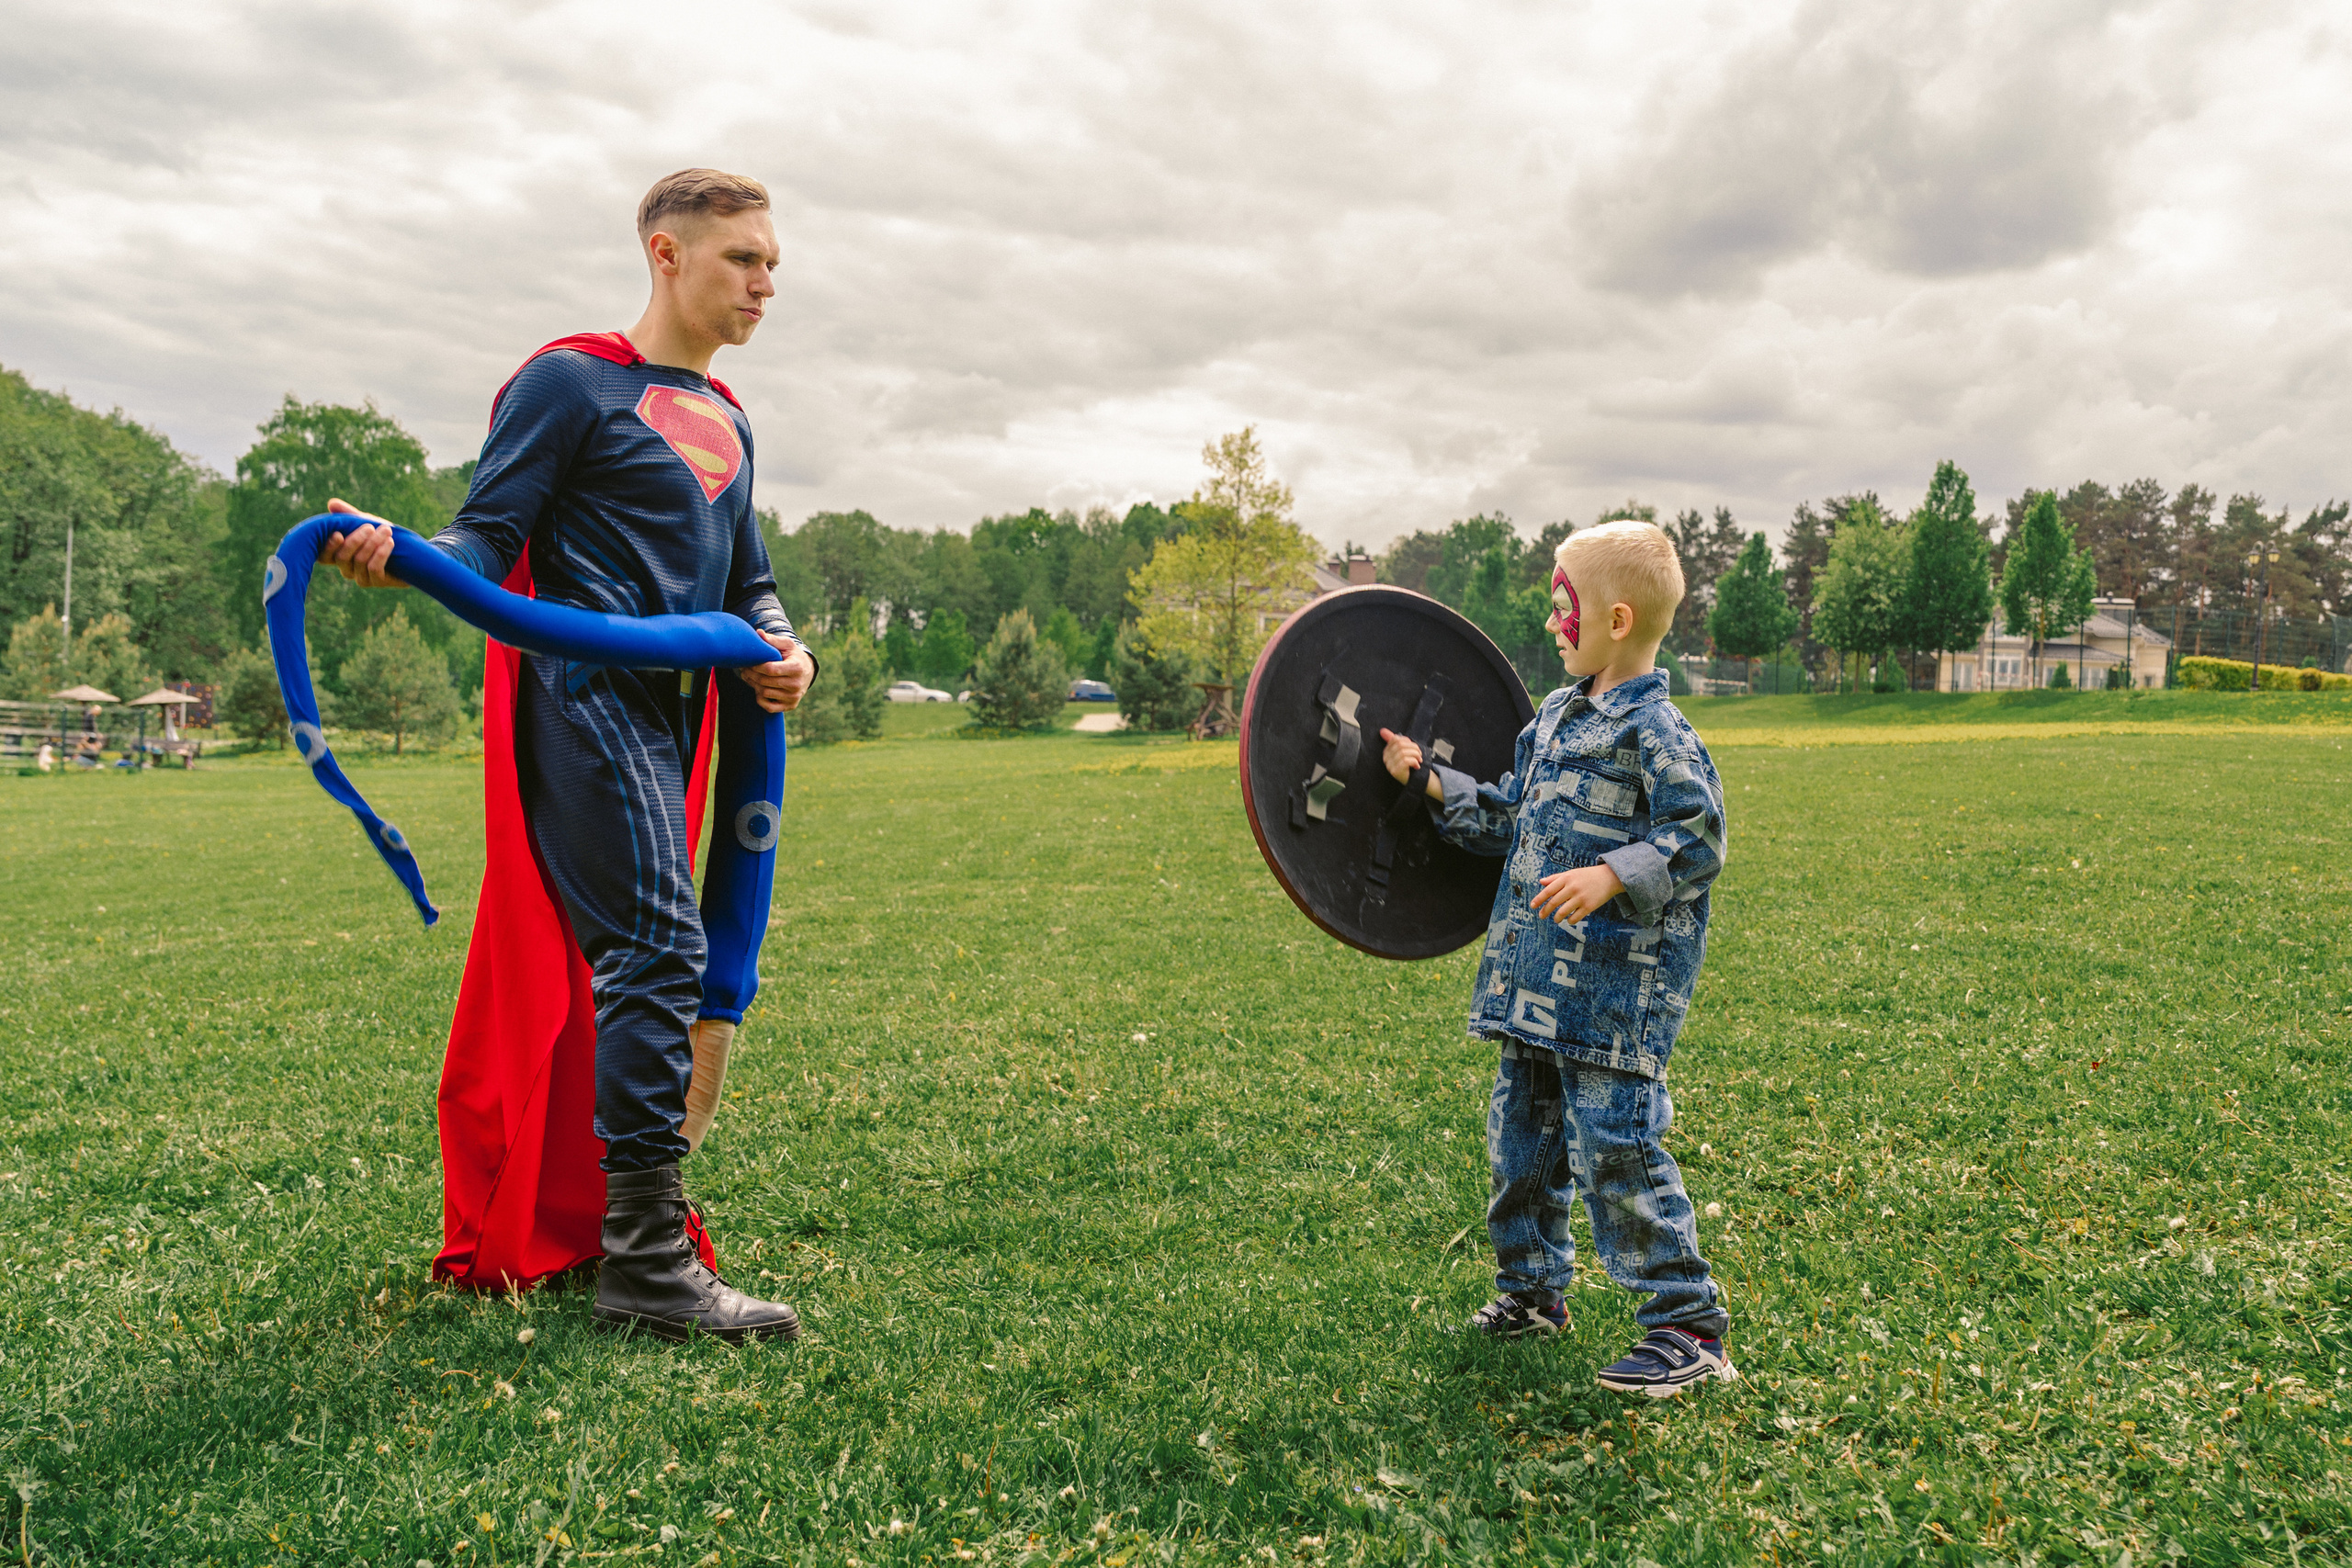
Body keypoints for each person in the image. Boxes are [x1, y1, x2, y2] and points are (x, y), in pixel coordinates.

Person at [322, 168, 815, 1343]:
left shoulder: (733, 418)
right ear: (665, 254)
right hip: (581, 701)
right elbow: (484, 538)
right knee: (655, 943)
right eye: (742, 259)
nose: (763, 284)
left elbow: (747, 582)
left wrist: (784, 650)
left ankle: (623, 1237)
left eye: (772, 266)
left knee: (660, 956)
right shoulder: (569, 382)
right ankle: (646, 1264)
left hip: (678, 720)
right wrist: (406, 555)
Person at [1379, 520, 1735, 1395]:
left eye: (1561, 607)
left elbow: (1697, 838)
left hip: (1614, 995)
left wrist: (1612, 875)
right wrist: (1427, 779)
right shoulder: (1553, 718)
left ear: (1615, 619)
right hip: (1534, 984)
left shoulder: (1659, 732)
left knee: (1618, 1147)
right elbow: (1508, 817)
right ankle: (1533, 1292)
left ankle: (1687, 1325)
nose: (1551, 623)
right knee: (1522, 1148)